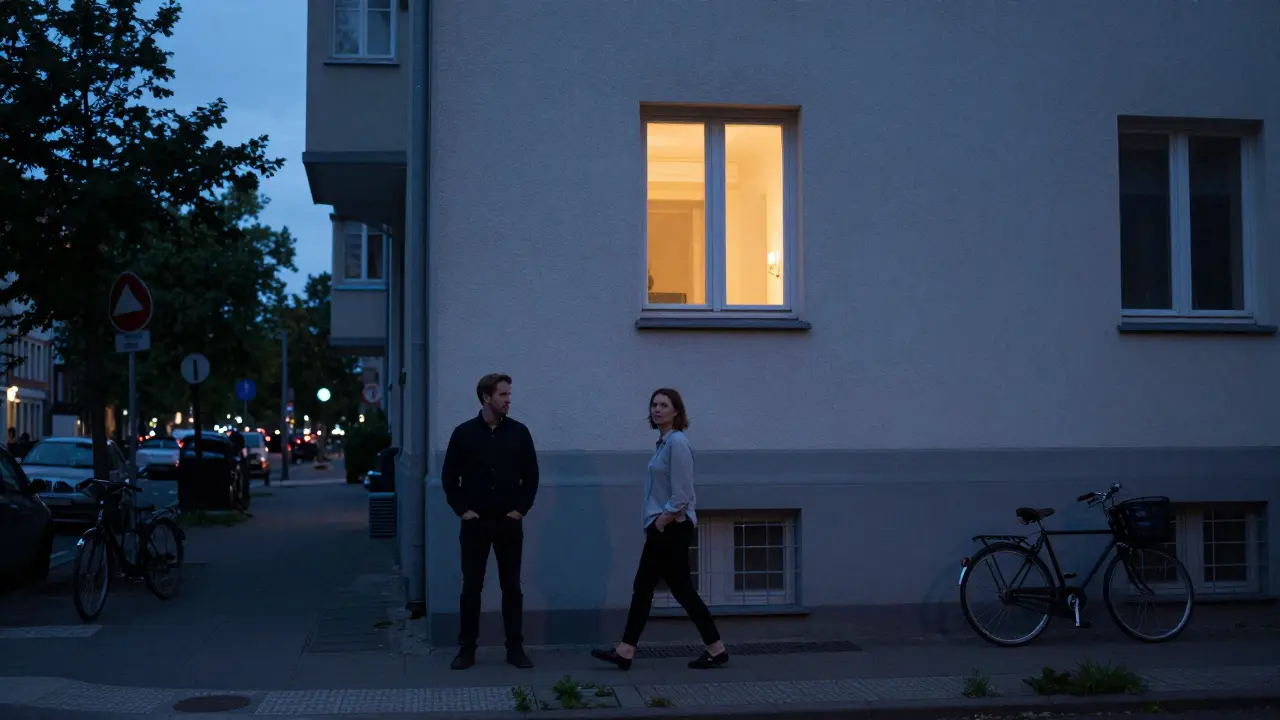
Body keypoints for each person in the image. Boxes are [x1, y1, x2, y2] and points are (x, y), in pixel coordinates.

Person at [592, 388, 728, 671]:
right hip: (665, 526)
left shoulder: (677, 443)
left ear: (676, 411)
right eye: (654, 404)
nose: (657, 409)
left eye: (664, 405)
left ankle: (626, 651)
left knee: (645, 587)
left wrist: (661, 522)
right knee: (678, 589)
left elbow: (683, 493)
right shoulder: (664, 443)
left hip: (672, 526)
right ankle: (716, 648)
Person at [442, 373, 539, 670]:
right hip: (476, 524)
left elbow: (531, 477)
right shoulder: (464, 433)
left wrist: (520, 510)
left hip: (508, 523)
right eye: (503, 395)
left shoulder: (520, 433)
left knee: (512, 587)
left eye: (509, 395)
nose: (509, 400)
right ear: (486, 397)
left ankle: (515, 649)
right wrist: (463, 511)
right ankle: (467, 649)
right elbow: (449, 477)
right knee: (471, 588)